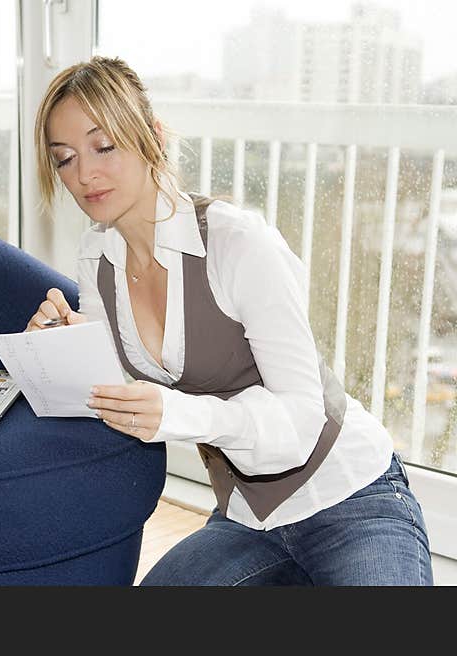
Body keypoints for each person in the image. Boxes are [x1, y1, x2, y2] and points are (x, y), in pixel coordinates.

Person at [25, 56, 433, 586]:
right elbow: (114, 389)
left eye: (104, 147)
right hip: (248, 517)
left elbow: (299, 422)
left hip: (351, 495)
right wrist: (61, 347)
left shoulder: (237, 242)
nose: (84, 175)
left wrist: (181, 414)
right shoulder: (96, 256)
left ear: (151, 136)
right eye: (65, 159)